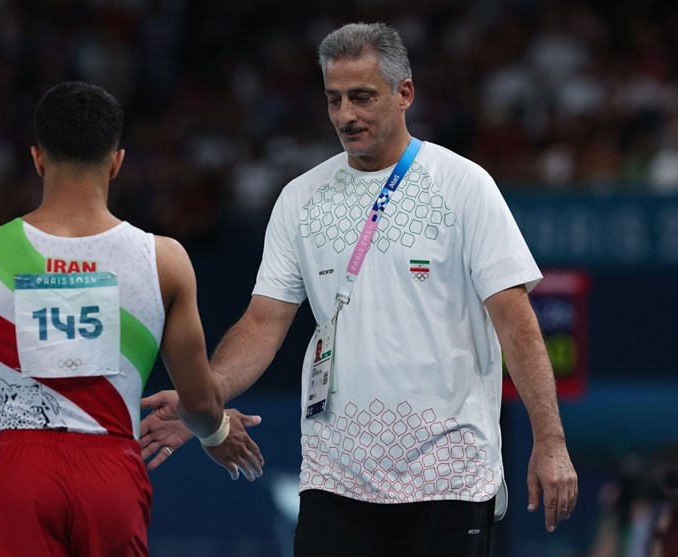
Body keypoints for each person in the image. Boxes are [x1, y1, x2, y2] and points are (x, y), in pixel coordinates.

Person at [139, 22, 577, 556]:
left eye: (362, 97)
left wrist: (550, 440)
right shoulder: (301, 198)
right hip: (335, 476)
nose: (345, 114)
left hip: (450, 473)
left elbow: (515, 320)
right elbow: (262, 324)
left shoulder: (463, 186)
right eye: (334, 99)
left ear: (404, 93)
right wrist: (204, 399)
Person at [0, 81, 264, 557]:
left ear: (37, 160)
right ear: (116, 162)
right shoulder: (163, 260)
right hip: (111, 474)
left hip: (20, 474)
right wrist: (215, 434)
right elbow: (197, 403)